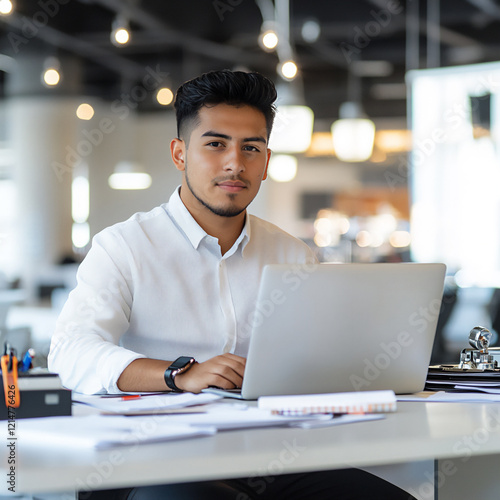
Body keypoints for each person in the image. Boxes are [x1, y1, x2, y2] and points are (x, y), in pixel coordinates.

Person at [48, 70, 416, 500]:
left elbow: (316, 359)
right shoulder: (124, 246)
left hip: (272, 453)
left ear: (266, 160)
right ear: (180, 154)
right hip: (154, 456)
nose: (234, 164)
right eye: (215, 144)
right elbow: (70, 352)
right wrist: (179, 375)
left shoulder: (293, 255)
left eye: (251, 148)